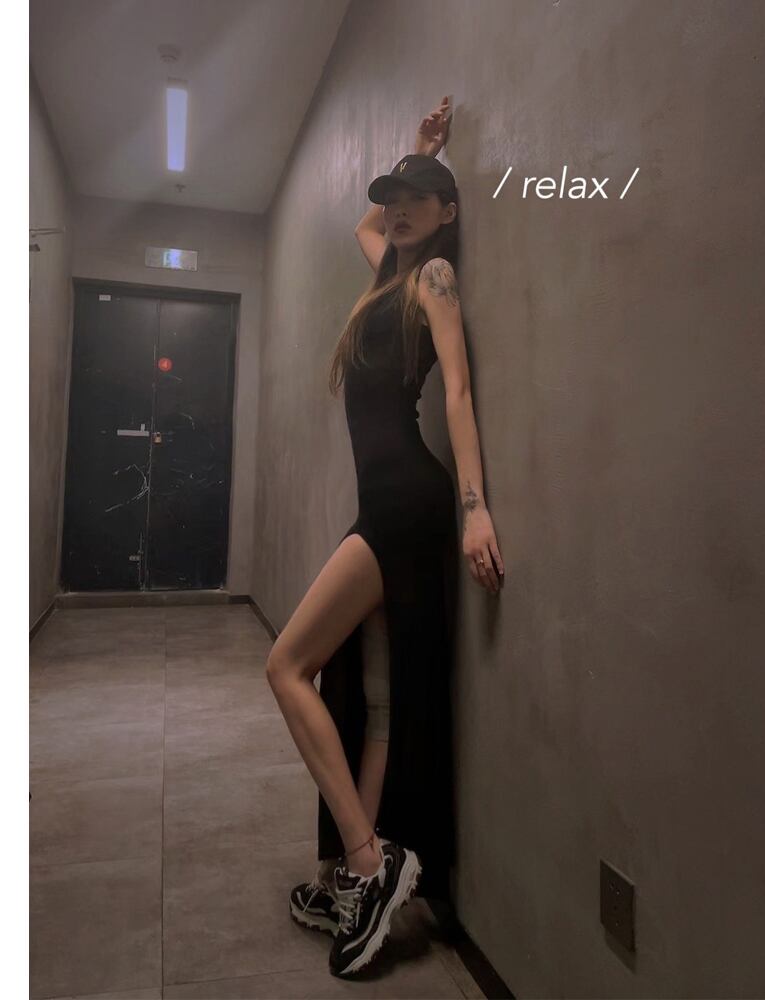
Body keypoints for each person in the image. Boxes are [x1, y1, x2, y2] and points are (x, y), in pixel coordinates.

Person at [266, 96, 505, 979]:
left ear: (447, 214)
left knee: (286, 666)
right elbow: (365, 225)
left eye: (417, 200)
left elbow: (458, 395)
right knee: (373, 697)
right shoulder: (387, 278)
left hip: (405, 500)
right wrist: (415, 153)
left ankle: (371, 863)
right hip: (385, 503)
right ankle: (359, 879)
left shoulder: (433, 279)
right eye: (394, 201)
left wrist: (475, 507)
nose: (397, 212)